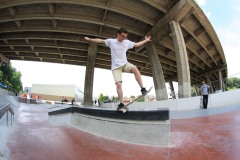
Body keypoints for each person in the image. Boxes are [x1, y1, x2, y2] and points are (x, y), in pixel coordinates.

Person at [84, 27, 151, 111]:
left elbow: (136, 44)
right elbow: (100, 40)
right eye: (122, 36)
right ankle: (121, 103)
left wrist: (146, 40)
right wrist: (90, 39)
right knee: (118, 84)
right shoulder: (111, 42)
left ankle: (142, 89)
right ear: (118, 34)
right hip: (116, 67)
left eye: (125, 37)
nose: (124, 38)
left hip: (125, 64)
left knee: (135, 68)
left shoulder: (126, 42)